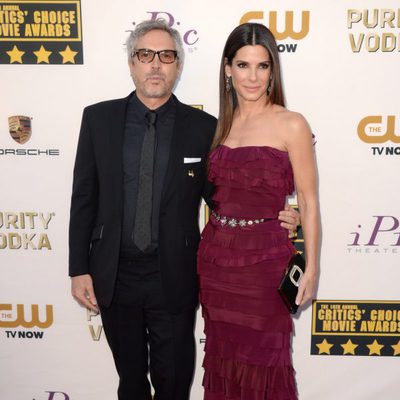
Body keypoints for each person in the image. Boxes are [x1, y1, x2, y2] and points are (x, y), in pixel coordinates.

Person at [69, 19, 300, 400]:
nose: (156, 64)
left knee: (174, 381)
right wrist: (79, 268)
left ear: (178, 66)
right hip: (113, 275)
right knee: (130, 381)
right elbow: (84, 199)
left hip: (175, 275)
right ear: (131, 64)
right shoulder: (98, 119)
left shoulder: (206, 127)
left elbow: (225, 195)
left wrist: (275, 214)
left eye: (167, 56)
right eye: (146, 55)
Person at [197, 23, 320, 400]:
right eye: (243, 65)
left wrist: (312, 269)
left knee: (267, 361)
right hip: (216, 261)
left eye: (262, 66)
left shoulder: (292, 123)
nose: (252, 76)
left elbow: (310, 201)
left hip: (265, 265)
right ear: (227, 69)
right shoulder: (218, 126)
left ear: (272, 72)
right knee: (223, 358)